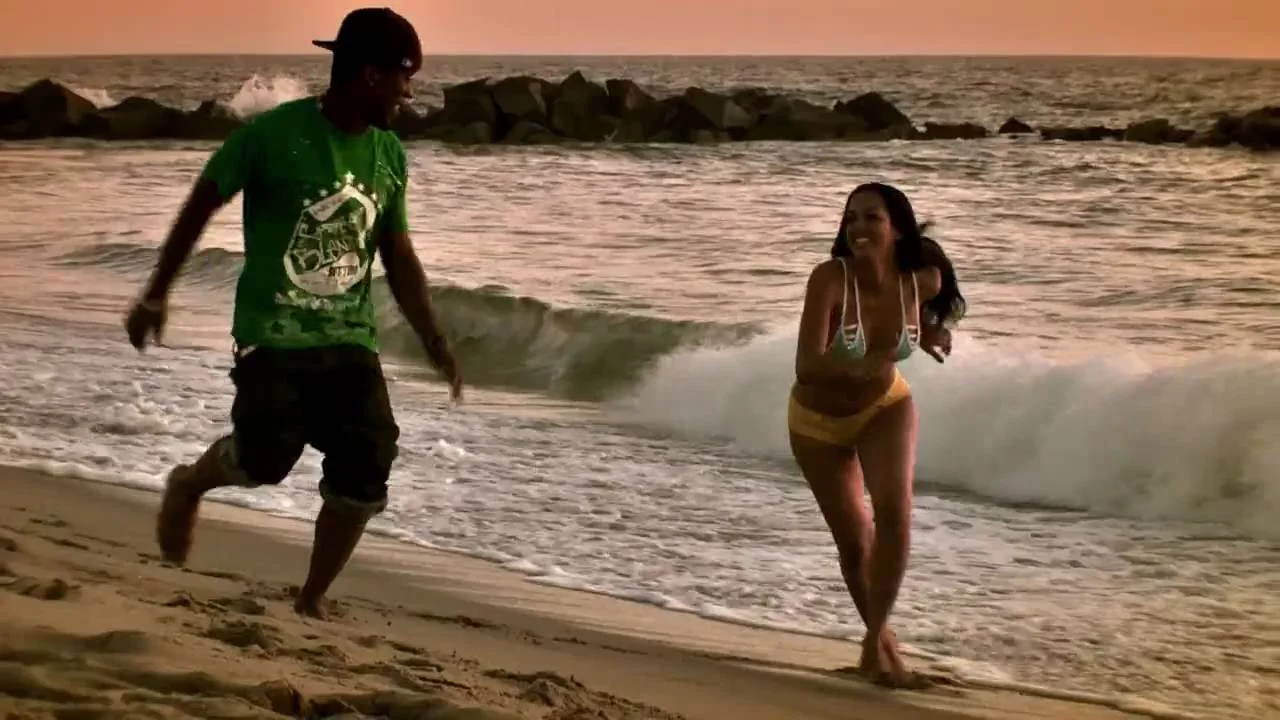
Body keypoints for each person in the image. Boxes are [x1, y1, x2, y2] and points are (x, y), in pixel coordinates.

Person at [123, 8, 462, 619]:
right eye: (405, 76)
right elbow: (201, 204)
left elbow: (398, 253)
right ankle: (190, 483)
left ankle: (311, 598)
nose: (410, 93)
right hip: (272, 334)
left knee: (368, 464)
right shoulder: (271, 135)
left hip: (349, 337)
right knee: (265, 459)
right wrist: (155, 293)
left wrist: (434, 339)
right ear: (369, 75)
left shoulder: (389, 153)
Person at [788, 182, 965, 687]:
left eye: (872, 218)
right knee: (855, 545)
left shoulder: (923, 280)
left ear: (897, 229)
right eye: (851, 219)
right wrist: (861, 363)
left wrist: (927, 333)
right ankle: (882, 648)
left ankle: (874, 643)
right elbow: (806, 366)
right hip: (817, 424)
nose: (859, 228)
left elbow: (924, 308)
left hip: (886, 406)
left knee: (895, 513)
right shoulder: (830, 279)